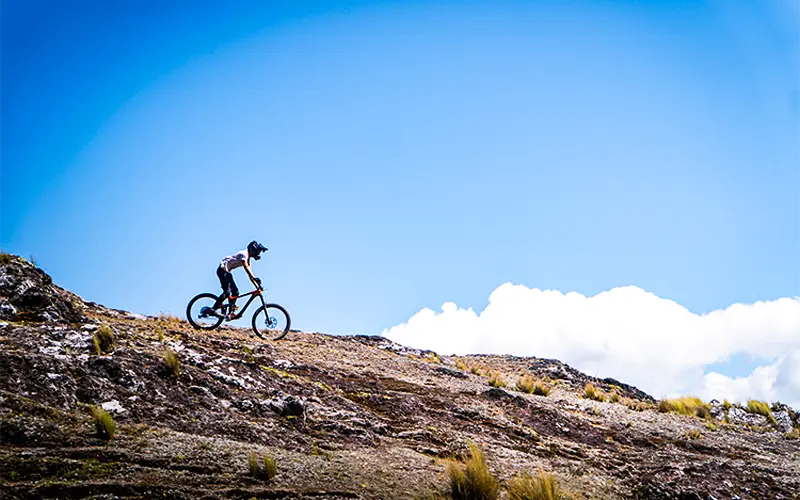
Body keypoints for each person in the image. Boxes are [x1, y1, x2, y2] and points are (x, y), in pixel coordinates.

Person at [214, 241, 267, 320]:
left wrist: (257, 286)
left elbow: (250, 275)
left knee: (235, 292)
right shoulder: (244, 254)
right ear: (253, 249)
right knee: (227, 292)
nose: (258, 253)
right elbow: (246, 267)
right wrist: (254, 278)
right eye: (258, 251)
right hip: (222, 271)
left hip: (227, 272)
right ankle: (212, 309)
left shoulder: (247, 258)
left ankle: (230, 313)